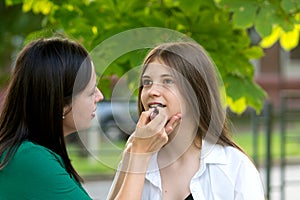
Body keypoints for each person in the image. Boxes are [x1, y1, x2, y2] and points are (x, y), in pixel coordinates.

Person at [0, 37, 181, 200]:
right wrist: (141, 153)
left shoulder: (28, 153)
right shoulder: (30, 160)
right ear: (61, 104)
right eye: (91, 91)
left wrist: (132, 151)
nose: (100, 96)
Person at [107, 42, 265, 200]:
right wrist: (137, 156)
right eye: (147, 82)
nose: (152, 91)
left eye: (167, 81)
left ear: (196, 92)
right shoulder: (135, 158)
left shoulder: (235, 167)